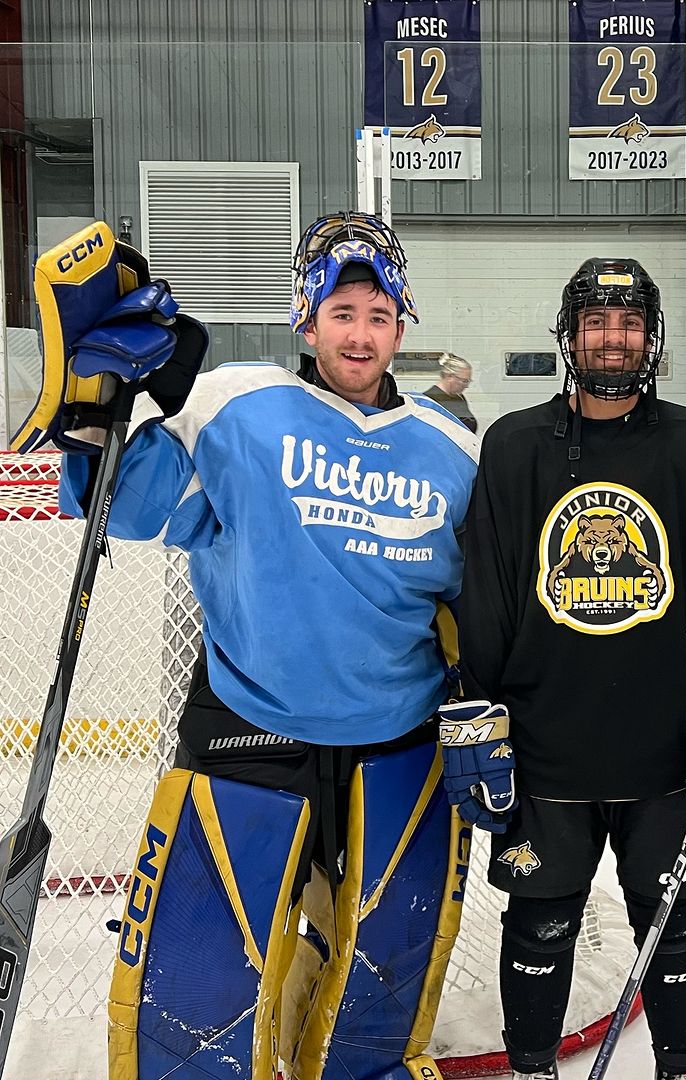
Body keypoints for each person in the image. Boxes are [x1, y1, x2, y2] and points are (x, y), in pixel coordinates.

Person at [51, 213, 479, 1080]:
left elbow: (479, 603)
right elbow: (131, 509)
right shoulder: (234, 404)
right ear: (305, 316)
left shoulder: (454, 450)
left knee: (374, 986)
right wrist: (100, 400)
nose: (360, 335)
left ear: (402, 327)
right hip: (250, 725)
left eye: (379, 315)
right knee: (201, 985)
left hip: (398, 740)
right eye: (342, 311)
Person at [438, 258, 686, 1080]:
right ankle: (534, 1068)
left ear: (650, 339)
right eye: (596, 322)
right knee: (539, 921)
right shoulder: (514, 444)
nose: (612, 337)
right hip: (546, 745)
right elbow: (491, 590)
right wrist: (479, 712)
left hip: (665, 747)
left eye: (627, 324)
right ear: (570, 336)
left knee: (677, 921)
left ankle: (679, 1068)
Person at [425, 353, 479, 432]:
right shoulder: (430, 400)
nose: (466, 386)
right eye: (464, 381)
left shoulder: (459, 398)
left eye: (468, 381)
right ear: (449, 376)